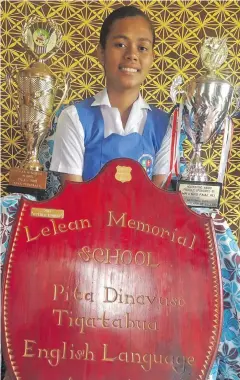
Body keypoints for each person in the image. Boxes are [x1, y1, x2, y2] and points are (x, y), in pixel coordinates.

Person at [50, 5, 171, 187]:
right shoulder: (74, 118)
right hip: (85, 216)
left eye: (142, 47)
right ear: (101, 52)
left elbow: (159, 201)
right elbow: (73, 199)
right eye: (120, 45)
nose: (132, 55)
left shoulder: (166, 126)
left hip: (145, 217)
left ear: (152, 57)